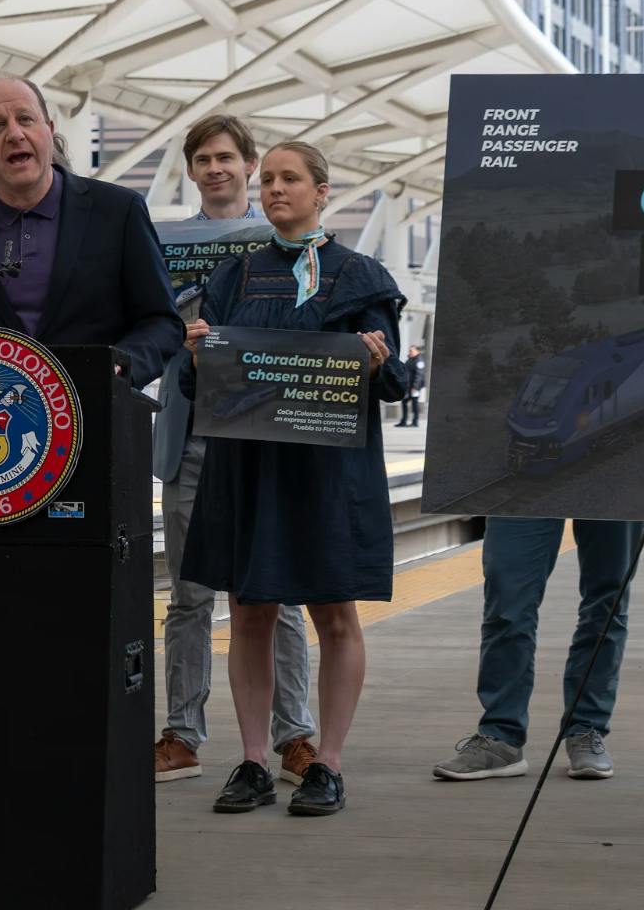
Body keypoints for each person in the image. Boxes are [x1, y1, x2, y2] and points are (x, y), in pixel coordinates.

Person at [179, 140, 408, 817]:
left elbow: (395, 383)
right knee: (249, 610)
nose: (276, 188)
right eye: (269, 178)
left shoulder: (362, 276)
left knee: (335, 612)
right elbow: (204, 386)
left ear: (321, 192)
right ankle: (252, 760)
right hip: (251, 466)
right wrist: (196, 360)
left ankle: (327, 763)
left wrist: (374, 362)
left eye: (290, 179)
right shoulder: (232, 278)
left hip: (329, 471)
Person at [151, 115, 318, 787]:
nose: (215, 168)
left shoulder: (284, 241)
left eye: (226, 157)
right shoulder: (160, 245)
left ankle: (294, 734)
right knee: (189, 596)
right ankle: (183, 734)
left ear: (249, 165)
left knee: (280, 593)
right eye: (202, 159)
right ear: (191, 171)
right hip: (192, 435)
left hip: (265, 436)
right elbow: (146, 336)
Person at [0, 75, 180, 386]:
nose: (15, 134)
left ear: (49, 130)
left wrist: (120, 364)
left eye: (25, 119)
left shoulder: (119, 211)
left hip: (97, 415)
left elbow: (161, 322)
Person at [431, 516, 644, 784]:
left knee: (608, 600)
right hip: (524, 478)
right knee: (506, 600)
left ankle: (586, 727)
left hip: (615, 478)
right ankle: (501, 735)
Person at [395, 345, 426, 426]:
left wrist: (415, 387)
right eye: (409, 351)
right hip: (408, 386)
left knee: (414, 404)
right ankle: (404, 421)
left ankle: (415, 422)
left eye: (411, 351)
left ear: (417, 351)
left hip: (415, 387)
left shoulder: (419, 361)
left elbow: (419, 375)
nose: (410, 352)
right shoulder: (410, 359)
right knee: (404, 402)